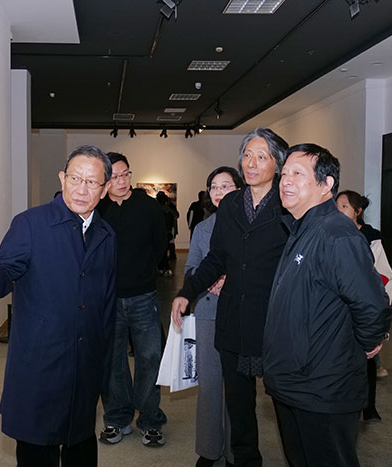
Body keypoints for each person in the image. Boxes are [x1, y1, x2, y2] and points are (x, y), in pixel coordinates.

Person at [0, 145, 116, 467]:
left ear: (104, 190)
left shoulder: (106, 234)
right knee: (37, 449)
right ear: (62, 178)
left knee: (80, 444)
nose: (82, 189)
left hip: (84, 365)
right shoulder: (31, 224)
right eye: (75, 178)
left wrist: (102, 359)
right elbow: (5, 271)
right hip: (40, 363)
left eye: (92, 182)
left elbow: (106, 303)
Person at [263, 144, 392, 467]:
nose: (285, 181)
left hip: (322, 389)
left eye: (297, 173)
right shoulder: (302, 228)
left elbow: (372, 304)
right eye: (284, 173)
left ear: (326, 184)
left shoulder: (336, 235)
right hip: (294, 384)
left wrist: (366, 344)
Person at [172, 127, 290, 467]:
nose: (251, 163)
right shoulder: (232, 204)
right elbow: (216, 258)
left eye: (261, 156)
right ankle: (246, 460)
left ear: (277, 164)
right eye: (247, 155)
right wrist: (187, 292)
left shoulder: (288, 205)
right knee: (239, 406)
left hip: (273, 321)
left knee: (286, 405)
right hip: (233, 319)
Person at [97, 152, 169, 447]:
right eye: (115, 176)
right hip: (108, 299)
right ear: (105, 179)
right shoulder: (98, 209)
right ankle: (117, 418)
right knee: (112, 360)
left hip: (143, 295)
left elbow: (160, 244)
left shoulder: (148, 206)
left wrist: (144, 273)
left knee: (150, 358)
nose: (122, 181)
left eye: (126, 174)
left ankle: (150, 419)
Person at [183, 166, 242, 467]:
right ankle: (209, 450)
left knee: (237, 386)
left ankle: (235, 451)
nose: (219, 192)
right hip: (207, 313)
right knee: (209, 386)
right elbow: (190, 268)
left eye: (226, 186)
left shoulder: (251, 226)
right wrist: (209, 280)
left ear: (239, 189)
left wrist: (230, 280)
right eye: (214, 187)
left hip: (240, 314)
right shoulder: (203, 228)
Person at [336, 190, 392, 422]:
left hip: (363, 306)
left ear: (358, 211)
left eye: (344, 206)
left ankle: (369, 406)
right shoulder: (330, 234)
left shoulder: (371, 238)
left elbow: (383, 275)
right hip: (339, 308)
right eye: (337, 206)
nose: (339, 211)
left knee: (368, 359)